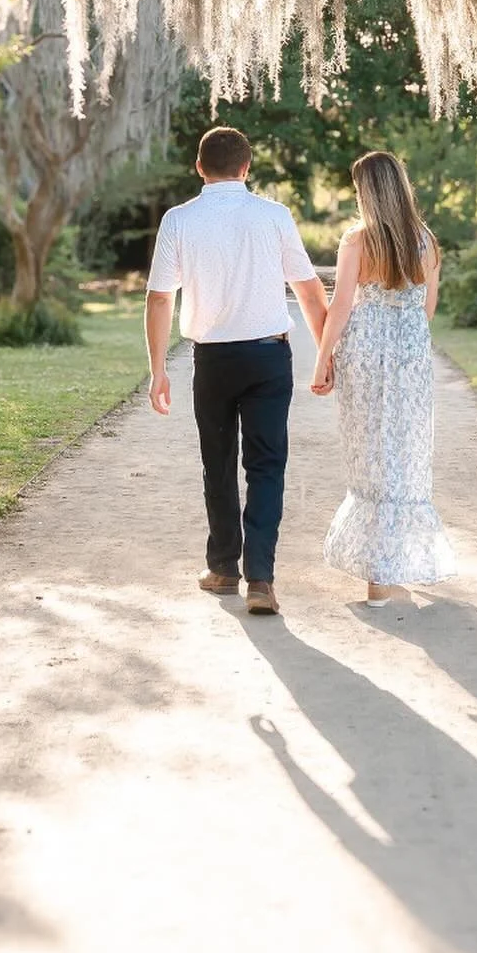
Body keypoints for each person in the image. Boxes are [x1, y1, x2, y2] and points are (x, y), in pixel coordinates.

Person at [146, 126, 329, 615]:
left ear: (200, 167)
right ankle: (262, 581)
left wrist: (158, 368)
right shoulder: (273, 216)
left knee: (219, 463)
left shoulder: (179, 220)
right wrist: (328, 350)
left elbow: (161, 296)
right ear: (247, 168)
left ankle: (225, 567)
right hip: (270, 356)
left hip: (213, 360)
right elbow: (309, 290)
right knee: (267, 466)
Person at [310, 150, 456, 604]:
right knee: (405, 452)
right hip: (410, 352)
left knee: (371, 451)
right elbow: (427, 310)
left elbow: (339, 308)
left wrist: (322, 360)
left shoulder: (358, 240)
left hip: (366, 351)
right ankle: (394, 564)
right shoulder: (427, 241)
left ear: (367, 192)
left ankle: (379, 575)